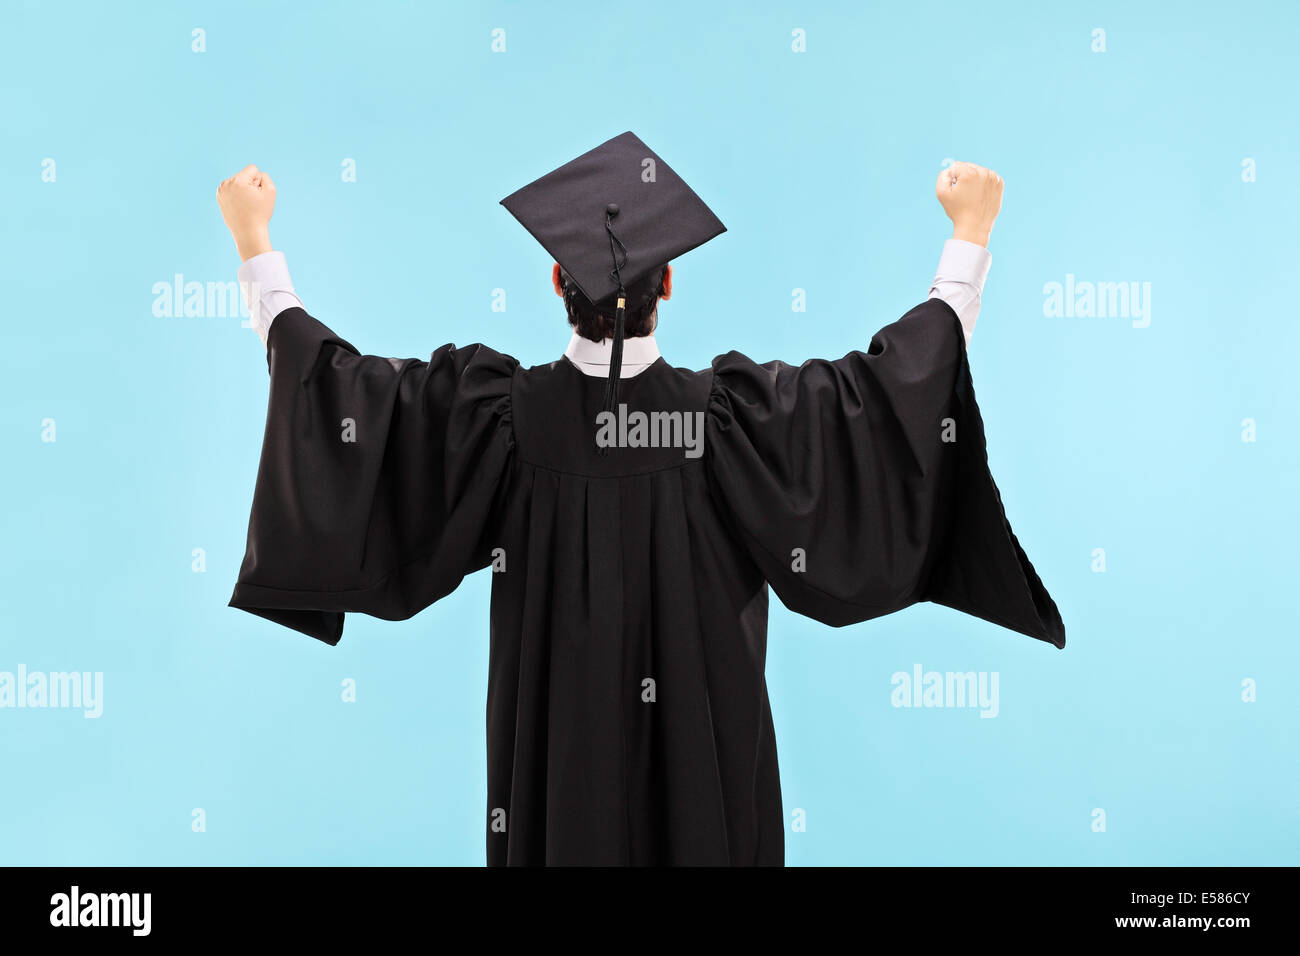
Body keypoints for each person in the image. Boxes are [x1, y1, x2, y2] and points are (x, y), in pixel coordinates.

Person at [217, 133, 1063, 866]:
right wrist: (970, 235)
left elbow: (339, 394)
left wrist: (257, 244)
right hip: (709, 772)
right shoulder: (735, 424)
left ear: (556, 281)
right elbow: (887, 396)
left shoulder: (495, 422)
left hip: (554, 780)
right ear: (668, 290)